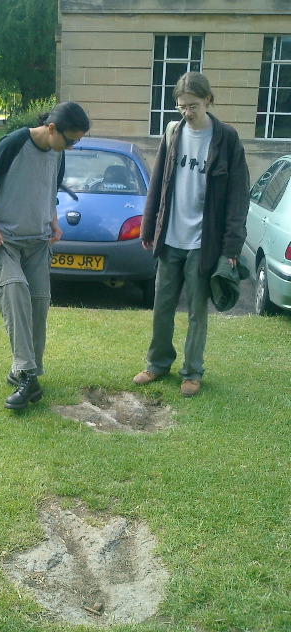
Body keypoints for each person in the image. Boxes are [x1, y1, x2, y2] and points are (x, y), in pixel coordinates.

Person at [133, 72, 249, 396]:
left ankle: (192, 372)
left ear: (208, 100)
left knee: (197, 312)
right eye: (182, 106)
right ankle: (157, 364)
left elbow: (238, 198)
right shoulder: (172, 133)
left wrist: (231, 247)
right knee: (162, 307)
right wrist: (148, 227)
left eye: (193, 106)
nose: (187, 112)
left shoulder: (227, 139)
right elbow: (157, 182)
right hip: (170, 239)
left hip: (204, 243)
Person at [0, 101, 90, 410]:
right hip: (2, 240)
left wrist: (53, 220)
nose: (72, 147)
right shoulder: (13, 143)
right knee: (16, 294)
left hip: (38, 241)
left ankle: (24, 372)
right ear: (52, 129)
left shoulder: (58, 152)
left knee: (38, 306)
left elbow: (50, 189)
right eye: (71, 140)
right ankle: (27, 377)